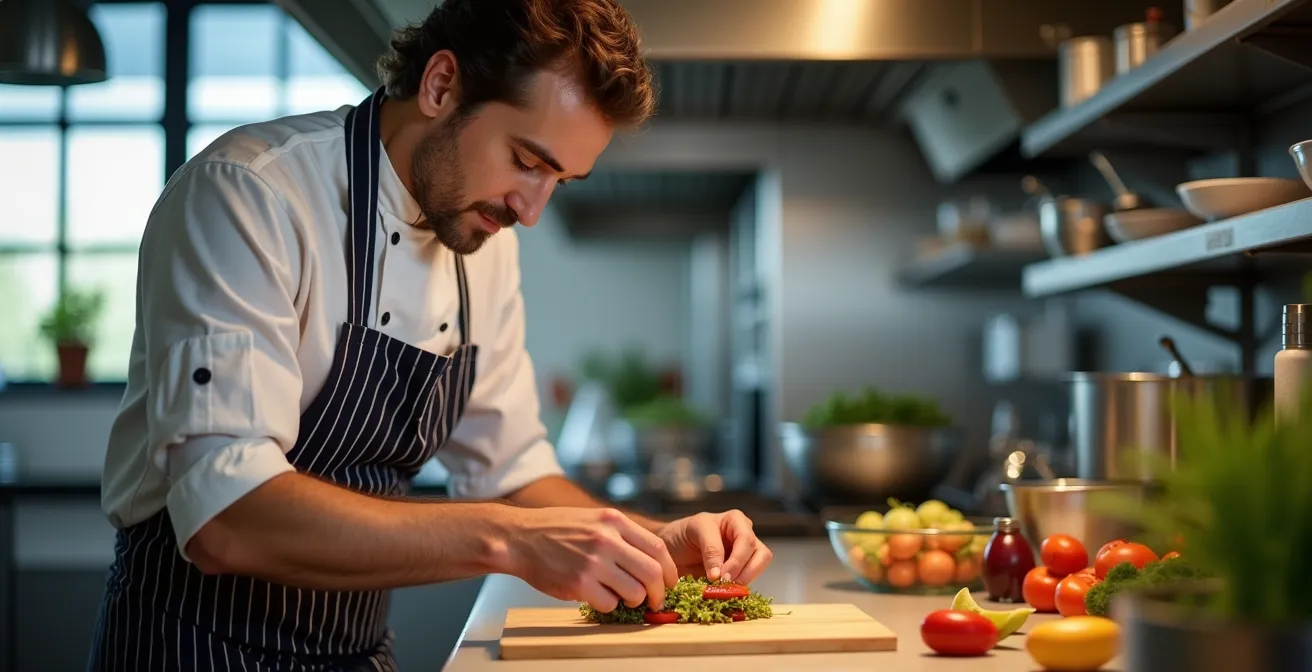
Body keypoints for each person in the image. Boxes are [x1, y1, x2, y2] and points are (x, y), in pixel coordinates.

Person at [86, 0, 773, 669]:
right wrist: (511, 541)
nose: (532, 211)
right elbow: (227, 519)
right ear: (442, 85)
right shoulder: (250, 195)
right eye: (527, 160)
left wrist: (654, 542)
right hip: (192, 645)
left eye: (560, 178)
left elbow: (513, 475)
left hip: (355, 652)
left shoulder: (485, 244)